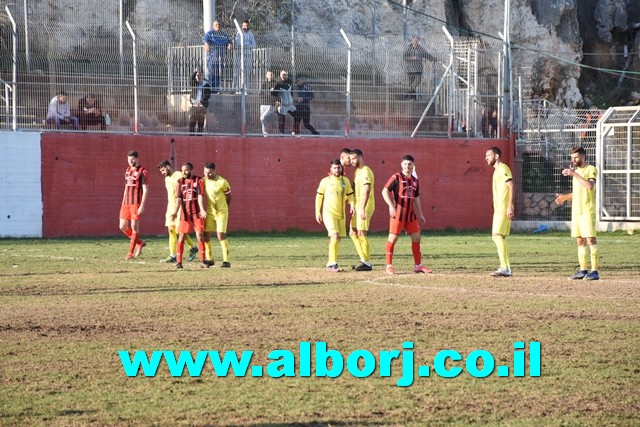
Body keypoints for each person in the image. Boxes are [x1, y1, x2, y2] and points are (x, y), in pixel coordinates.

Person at [381, 155, 432, 275]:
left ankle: (418, 266)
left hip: (410, 215)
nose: (407, 166)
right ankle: (389, 266)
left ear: (413, 166)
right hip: (398, 213)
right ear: (401, 165)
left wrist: (420, 213)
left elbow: (416, 197)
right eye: (405, 164)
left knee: (416, 238)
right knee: (393, 239)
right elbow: (384, 191)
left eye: (409, 164)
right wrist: (390, 206)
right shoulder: (396, 177)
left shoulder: (415, 180)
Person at [554, 147, 600, 280]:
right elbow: (578, 192)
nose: (573, 160)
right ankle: (583, 270)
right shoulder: (577, 172)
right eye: (572, 157)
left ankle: (595, 271)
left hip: (587, 210)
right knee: (580, 240)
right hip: (576, 211)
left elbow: (589, 186)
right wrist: (564, 197)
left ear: (583, 157)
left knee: (590, 239)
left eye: (576, 157)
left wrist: (574, 174)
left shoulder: (590, 169)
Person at [316, 159, 355, 272]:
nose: (337, 170)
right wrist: (317, 211)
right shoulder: (325, 181)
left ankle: (331, 262)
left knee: (337, 239)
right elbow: (319, 196)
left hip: (341, 214)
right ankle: (332, 264)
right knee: (334, 236)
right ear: (330, 169)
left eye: (338, 167)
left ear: (341, 168)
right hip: (329, 213)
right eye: (334, 168)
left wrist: (352, 205)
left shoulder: (345, 181)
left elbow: (350, 195)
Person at [157, 160, 199, 263]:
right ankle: (173, 255)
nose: (162, 173)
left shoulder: (179, 175)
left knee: (180, 231)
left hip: (179, 207)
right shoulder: (167, 178)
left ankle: (192, 247)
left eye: (163, 170)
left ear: (168, 166)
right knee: (171, 230)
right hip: (170, 206)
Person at [170, 162, 208, 269]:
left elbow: (200, 195)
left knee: (200, 236)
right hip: (184, 214)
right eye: (182, 171)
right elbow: (178, 199)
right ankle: (179, 262)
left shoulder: (198, 180)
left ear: (192, 170)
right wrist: (175, 211)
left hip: (197, 213)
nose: (184, 172)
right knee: (181, 236)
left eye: (186, 170)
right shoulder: (180, 182)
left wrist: (201, 209)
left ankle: (203, 261)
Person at [485, 147, 515, 277]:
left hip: (503, 207)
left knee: (496, 236)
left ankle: (505, 267)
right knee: (500, 236)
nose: (486, 158)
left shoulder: (503, 168)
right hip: (499, 208)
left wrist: (510, 206)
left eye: (488, 155)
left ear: (496, 156)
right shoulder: (497, 171)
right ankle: (506, 267)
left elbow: (511, 185)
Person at [348, 149, 375, 271]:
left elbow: (366, 190)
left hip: (365, 205)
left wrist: (362, 208)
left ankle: (367, 262)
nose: (351, 161)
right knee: (352, 232)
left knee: (361, 232)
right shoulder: (356, 172)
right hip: (358, 205)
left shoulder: (366, 171)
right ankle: (363, 258)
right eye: (350, 159)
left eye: (354, 159)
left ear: (360, 157)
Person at [119, 151, 148, 260]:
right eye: (129, 159)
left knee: (134, 227)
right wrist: (122, 201)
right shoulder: (127, 170)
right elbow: (126, 187)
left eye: (132, 159)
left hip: (136, 203)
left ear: (137, 159)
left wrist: (142, 205)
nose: (131, 161)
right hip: (126, 203)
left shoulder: (143, 171)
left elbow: (145, 190)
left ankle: (130, 253)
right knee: (122, 226)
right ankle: (139, 242)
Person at [203, 162, 232, 268]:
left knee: (220, 235)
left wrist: (226, 208)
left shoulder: (222, 182)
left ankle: (226, 261)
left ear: (214, 171)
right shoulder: (204, 180)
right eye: (205, 172)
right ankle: (209, 259)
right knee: (206, 235)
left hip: (221, 212)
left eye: (209, 173)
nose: (207, 175)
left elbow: (229, 197)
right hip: (210, 212)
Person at [203, 20, 232, 92]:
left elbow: (229, 41)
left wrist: (230, 45)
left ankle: (216, 89)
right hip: (212, 57)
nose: (218, 26)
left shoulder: (224, 34)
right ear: (213, 26)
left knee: (219, 73)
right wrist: (207, 45)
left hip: (221, 57)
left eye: (219, 24)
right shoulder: (210, 33)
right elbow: (206, 40)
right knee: (212, 73)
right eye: (216, 25)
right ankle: (211, 89)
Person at [402, 36, 434, 101]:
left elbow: (427, 55)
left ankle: (407, 91)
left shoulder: (420, 49)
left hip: (418, 69)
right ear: (412, 41)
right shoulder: (408, 48)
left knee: (417, 81)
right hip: (410, 69)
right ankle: (413, 98)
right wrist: (411, 58)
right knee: (411, 83)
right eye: (414, 40)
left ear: (418, 41)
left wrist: (434, 59)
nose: (415, 41)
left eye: (416, 40)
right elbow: (404, 57)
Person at [233, 20, 257, 92]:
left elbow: (254, 45)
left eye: (247, 26)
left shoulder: (250, 34)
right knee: (237, 72)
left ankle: (246, 89)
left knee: (247, 73)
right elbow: (239, 44)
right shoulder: (239, 33)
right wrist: (248, 44)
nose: (246, 27)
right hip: (240, 55)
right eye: (244, 26)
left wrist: (245, 44)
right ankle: (234, 88)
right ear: (242, 26)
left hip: (248, 55)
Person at [271, 70, 296, 134]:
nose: (285, 76)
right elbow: (274, 94)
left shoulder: (290, 81)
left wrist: (291, 99)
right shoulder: (278, 83)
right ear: (280, 75)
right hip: (282, 105)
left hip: (290, 105)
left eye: (286, 75)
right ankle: (281, 133)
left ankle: (295, 131)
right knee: (282, 119)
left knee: (297, 115)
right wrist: (278, 101)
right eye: (283, 75)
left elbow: (291, 92)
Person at [189, 69, 211, 133]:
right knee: (192, 122)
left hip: (202, 106)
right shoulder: (194, 83)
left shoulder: (206, 84)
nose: (198, 76)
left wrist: (202, 99)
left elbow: (208, 95)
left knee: (200, 123)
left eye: (200, 75)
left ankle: (199, 136)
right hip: (194, 105)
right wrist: (195, 71)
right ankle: (191, 136)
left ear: (202, 76)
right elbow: (191, 80)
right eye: (197, 75)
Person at [259, 71, 277, 136]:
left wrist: (269, 93)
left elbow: (275, 94)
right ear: (266, 75)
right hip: (263, 104)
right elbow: (261, 93)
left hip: (271, 104)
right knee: (264, 120)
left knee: (263, 118)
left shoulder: (275, 84)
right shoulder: (264, 83)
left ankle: (271, 132)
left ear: (273, 75)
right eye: (269, 74)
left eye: (271, 74)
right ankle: (265, 134)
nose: (270, 76)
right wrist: (269, 93)